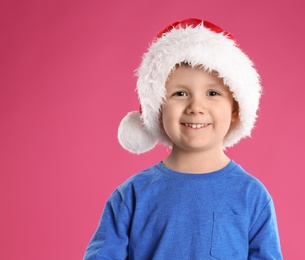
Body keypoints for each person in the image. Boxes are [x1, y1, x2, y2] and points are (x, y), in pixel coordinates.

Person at [84, 18, 283, 259]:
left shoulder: (251, 195)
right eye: (180, 93)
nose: (195, 107)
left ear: (235, 109)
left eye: (213, 93)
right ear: (157, 108)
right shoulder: (132, 195)